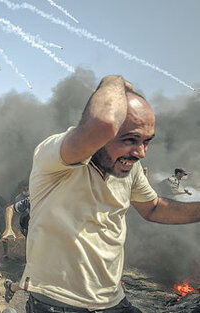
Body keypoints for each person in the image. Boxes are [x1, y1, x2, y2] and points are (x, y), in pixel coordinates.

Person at [21, 75, 200, 312]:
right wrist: (114, 80)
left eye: (147, 141)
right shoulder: (55, 155)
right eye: (129, 139)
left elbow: (154, 207)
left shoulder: (129, 167)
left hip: (112, 301)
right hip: (59, 303)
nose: (141, 152)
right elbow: (102, 123)